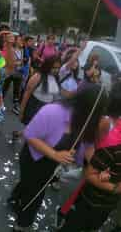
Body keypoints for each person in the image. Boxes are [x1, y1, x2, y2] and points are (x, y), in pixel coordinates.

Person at [10, 84, 108, 232]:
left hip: (52, 165)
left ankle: (15, 199)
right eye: (99, 113)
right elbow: (29, 134)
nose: (100, 117)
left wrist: (98, 166)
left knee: (30, 187)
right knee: (34, 196)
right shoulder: (53, 112)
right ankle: (22, 225)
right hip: (34, 159)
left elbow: (87, 149)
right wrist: (54, 154)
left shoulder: (88, 123)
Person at [58, 82, 121, 231]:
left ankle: (65, 213)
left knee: (77, 194)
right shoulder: (106, 122)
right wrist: (99, 168)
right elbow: (93, 145)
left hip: (100, 166)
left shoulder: (110, 121)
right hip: (96, 164)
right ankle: (63, 214)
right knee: (77, 194)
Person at [20, 56, 61, 126]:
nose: (56, 70)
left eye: (58, 68)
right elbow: (26, 94)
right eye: (54, 68)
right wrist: (21, 112)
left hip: (46, 111)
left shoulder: (56, 78)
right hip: (34, 108)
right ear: (48, 66)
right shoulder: (38, 76)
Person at [3, 35, 24, 115]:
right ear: (15, 41)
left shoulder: (21, 50)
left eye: (21, 40)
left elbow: (21, 61)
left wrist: (20, 63)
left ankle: (15, 107)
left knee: (16, 90)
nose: (20, 41)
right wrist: (17, 63)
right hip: (10, 71)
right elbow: (9, 62)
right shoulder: (11, 49)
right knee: (5, 87)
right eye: (19, 40)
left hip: (18, 72)